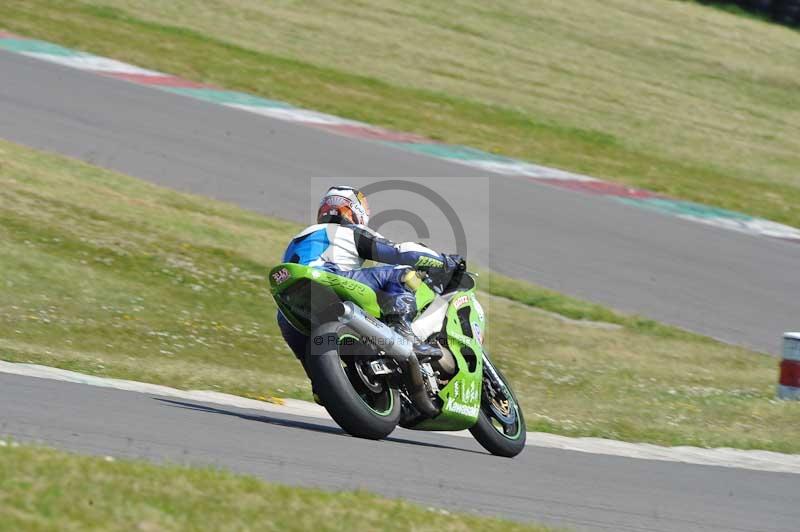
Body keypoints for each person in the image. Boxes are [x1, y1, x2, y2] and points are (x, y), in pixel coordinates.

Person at [277, 185, 462, 384]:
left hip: (292, 304)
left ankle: (319, 382)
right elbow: (399, 252)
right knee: (402, 272)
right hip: (329, 278)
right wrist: (444, 261)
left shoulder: (297, 238)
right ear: (353, 209)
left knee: (287, 325)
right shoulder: (346, 231)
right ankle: (403, 331)